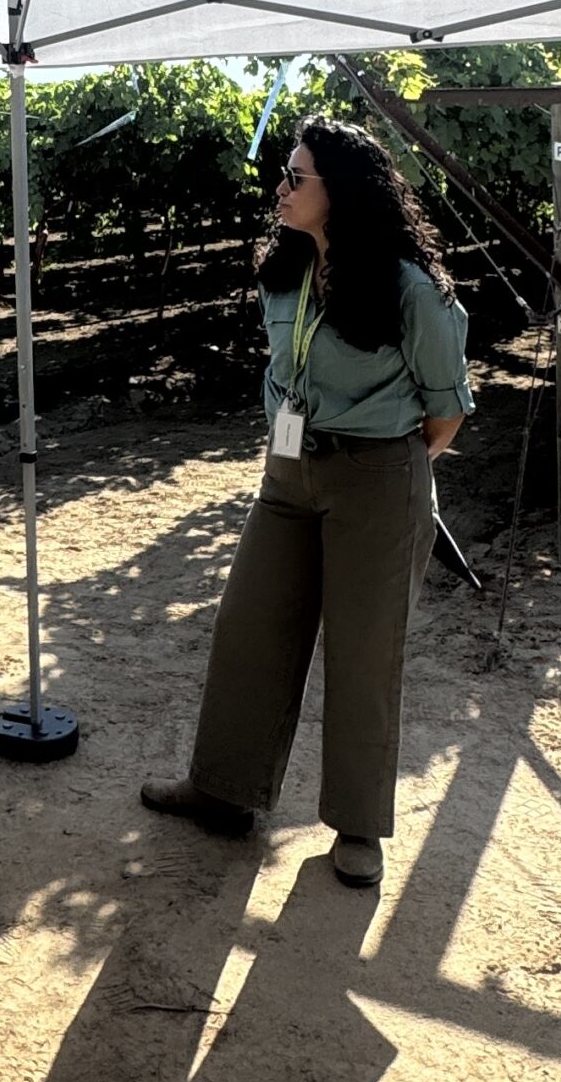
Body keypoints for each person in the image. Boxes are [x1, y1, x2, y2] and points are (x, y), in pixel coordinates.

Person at [142, 119, 471, 888]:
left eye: (297, 179)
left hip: (376, 478)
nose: (280, 191)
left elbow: (447, 411)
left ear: (343, 192)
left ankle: (358, 829)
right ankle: (224, 788)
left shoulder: (408, 289)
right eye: (283, 176)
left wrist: (389, 470)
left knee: (363, 654)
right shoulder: (285, 270)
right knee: (248, 625)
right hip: (289, 472)